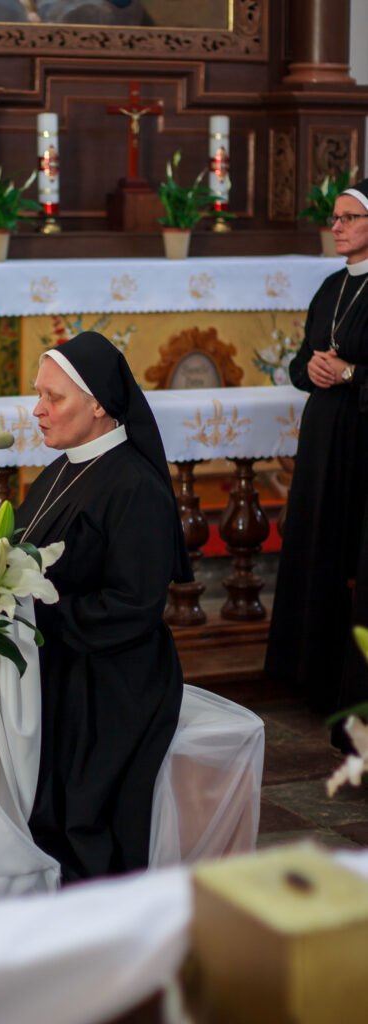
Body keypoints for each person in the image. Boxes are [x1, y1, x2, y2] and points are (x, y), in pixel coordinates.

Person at [0, 331, 191, 882]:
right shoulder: (62, 469)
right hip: (64, 661)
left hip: (114, 679)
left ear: (99, 403)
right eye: (38, 395)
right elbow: (33, 560)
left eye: (53, 398)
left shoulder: (135, 486)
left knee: (80, 816)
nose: (37, 410)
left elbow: (133, 606)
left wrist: (33, 614)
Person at [266, 178, 368, 733]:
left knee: (352, 557)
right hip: (323, 435)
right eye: (336, 217)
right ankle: (314, 675)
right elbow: (300, 361)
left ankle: (351, 682)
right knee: (318, 550)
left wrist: (348, 372)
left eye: (350, 217)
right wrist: (312, 370)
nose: (338, 226)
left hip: (361, 438)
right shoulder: (331, 286)